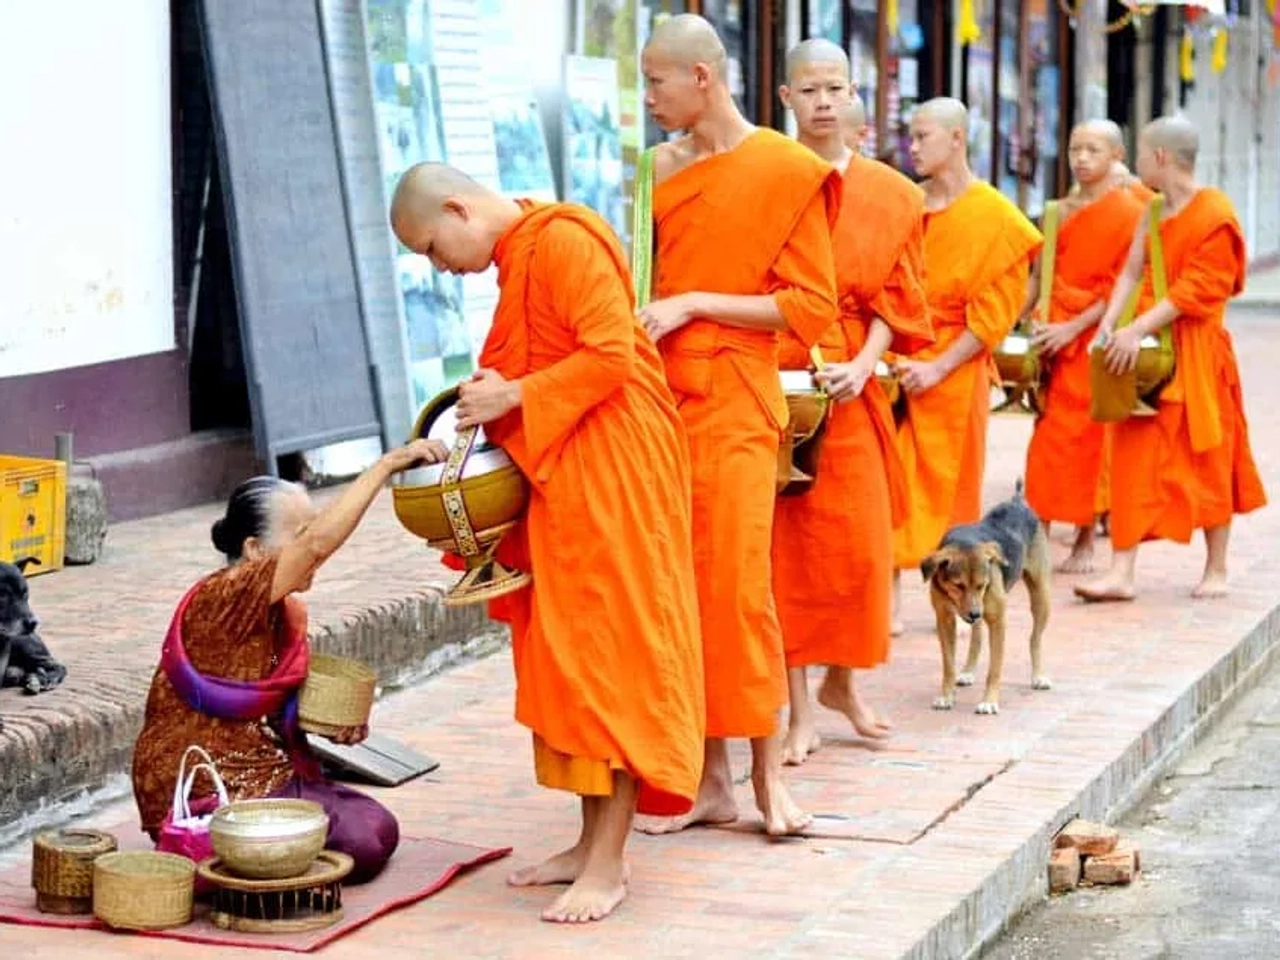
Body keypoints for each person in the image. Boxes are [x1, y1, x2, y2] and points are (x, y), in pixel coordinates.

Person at [388, 162, 705, 923]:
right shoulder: (521, 254)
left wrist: (517, 394)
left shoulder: (562, 240)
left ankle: (609, 862)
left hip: (616, 472)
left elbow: (611, 357)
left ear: (459, 210)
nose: (441, 267)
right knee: (571, 654)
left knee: (614, 655)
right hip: (568, 472)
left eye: (434, 248)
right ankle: (586, 840)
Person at [632, 13, 840, 837]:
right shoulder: (655, 169)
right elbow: (638, 284)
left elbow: (811, 307)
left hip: (736, 406)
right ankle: (707, 779)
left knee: (736, 591)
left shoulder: (785, 170)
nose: (647, 97)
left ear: (702, 78)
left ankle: (766, 781)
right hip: (662, 406)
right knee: (677, 592)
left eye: (656, 81)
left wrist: (695, 302)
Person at [131, 442, 445, 884]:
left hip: (260, 768)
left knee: (373, 824)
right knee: (363, 839)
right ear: (255, 549)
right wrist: (387, 466)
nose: (312, 544)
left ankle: (263, 855)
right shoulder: (224, 595)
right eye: (297, 534)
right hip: (201, 785)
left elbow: (273, 703)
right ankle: (223, 850)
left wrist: (325, 726)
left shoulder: (282, 611)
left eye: (309, 529)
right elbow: (318, 547)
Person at [773, 42, 932, 764]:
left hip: (855, 382)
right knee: (788, 556)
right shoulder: (766, 180)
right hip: (779, 381)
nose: (825, 102)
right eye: (810, 90)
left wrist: (866, 365)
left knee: (861, 551)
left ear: (853, 93)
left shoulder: (893, 193)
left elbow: (897, 298)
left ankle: (843, 682)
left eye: (836, 87)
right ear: (785, 98)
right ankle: (798, 705)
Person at [1075, 116, 1267, 602]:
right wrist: (1108, 325)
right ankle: (1121, 570)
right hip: (1144, 354)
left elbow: (1199, 289)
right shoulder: (1154, 211)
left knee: (1210, 456)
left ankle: (1216, 567)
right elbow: (1130, 272)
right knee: (1131, 452)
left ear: (1160, 158)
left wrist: (1136, 328)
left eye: (1139, 152)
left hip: (1198, 354)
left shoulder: (1214, 212)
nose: (1135, 163)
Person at [890, 97, 1043, 632]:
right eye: (909, 137)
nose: (912, 148)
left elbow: (993, 317)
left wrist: (938, 368)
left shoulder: (997, 218)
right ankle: (887, 599)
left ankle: (952, 593)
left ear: (957, 139)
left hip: (955, 372)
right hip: (897, 359)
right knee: (890, 483)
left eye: (922, 137)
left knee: (951, 489)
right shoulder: (906, 203)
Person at [1022, 121, 1146, 573]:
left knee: (1092, 442)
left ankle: (1085, 539)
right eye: (1075, 148)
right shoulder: (1058, 210)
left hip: (1094, 340)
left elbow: (1120, 286)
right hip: (1051, 337)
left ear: (1116, 155)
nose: (1081, 158)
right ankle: (1037, 533)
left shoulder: (1132, 212)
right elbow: (1039, 277)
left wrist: (1072, 329)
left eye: (1093, 150)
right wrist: (1015, 323)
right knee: (1048, 442)